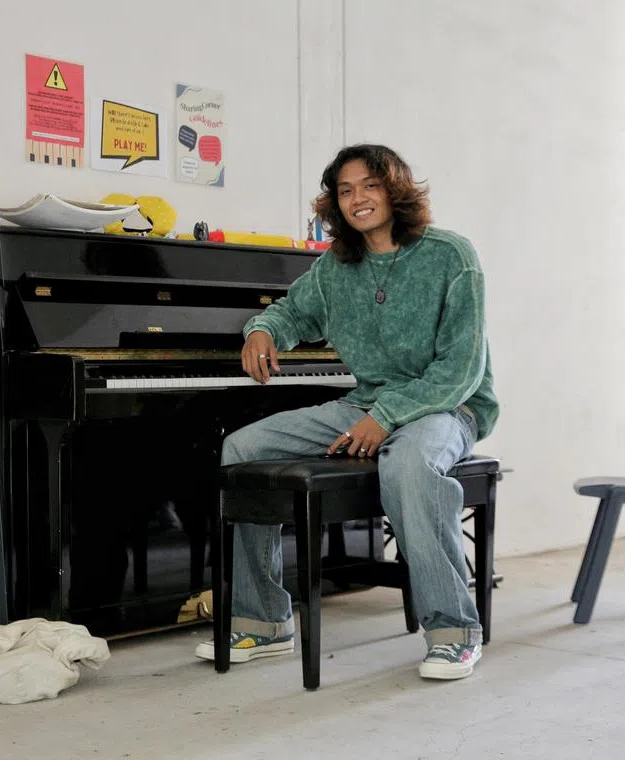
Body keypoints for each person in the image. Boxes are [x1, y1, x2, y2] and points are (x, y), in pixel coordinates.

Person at [193, 143, 499, 680]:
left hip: (446, 406)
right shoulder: (337, 266)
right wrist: (263, 330)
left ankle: (454, 629)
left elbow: (461, 368)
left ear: (396, 189)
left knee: (406, 465)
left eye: (370, 185)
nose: (358, 198)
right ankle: (264, 621)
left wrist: (386, 418)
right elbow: (292, 310)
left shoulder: (451, 255)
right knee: (242, 447)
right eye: (346, 190)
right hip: (365, 403)